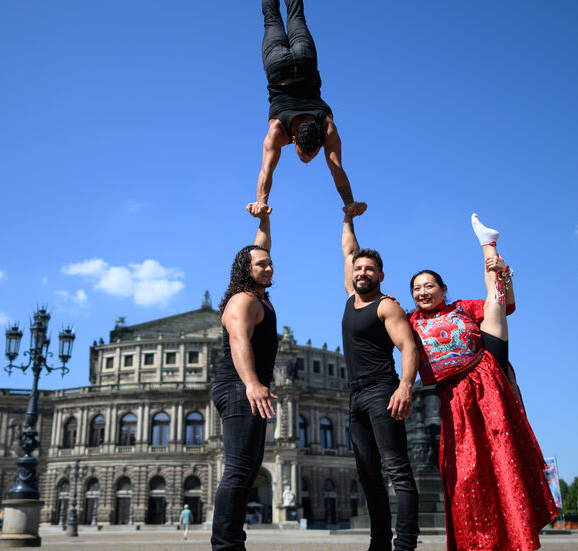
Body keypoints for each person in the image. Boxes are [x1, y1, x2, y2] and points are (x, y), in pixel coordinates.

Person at [406, 214, 558, 550]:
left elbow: (503, 304)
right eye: (416, 288)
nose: (422, 292)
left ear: (443, 289)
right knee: (466, 471)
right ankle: (479, 540)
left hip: (485, 376)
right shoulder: (410, 320)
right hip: (452, 395)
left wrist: (502, 273)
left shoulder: (462, 307)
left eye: (429, 285)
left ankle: (488, 246)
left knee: (502, 455)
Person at [341, 212, 420, 551]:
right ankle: (379, 544)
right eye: (359, 268)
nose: (362, 273)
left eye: (369, 269)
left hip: (382, 391)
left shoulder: (386, 306)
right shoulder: (349, 296)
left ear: (381, 275)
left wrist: (405, 386)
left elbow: (407, 346)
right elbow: (348, 250)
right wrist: (348, 219)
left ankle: (404, 544)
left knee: (398, 471)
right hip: (355, 397)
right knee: (369, 475)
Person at [248, 0, 366, 219]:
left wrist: (350, 202)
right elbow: (267, 168)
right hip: (278, 66)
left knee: (295, 14)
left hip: (304, 60)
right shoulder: (278, 131)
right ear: (294, 139)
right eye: (305, 155)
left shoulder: (326, 126)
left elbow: (336, 168)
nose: (307, 159)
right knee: (273, 18)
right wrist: (260, 202)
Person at [211, 212, 277, 551]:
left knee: (248, 470)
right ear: (245, 269)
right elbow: (239, 340)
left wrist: (265, 215)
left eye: (269, 264)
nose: (268, 268)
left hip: (244, 387)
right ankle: (225, 545)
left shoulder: (256, 295)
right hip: (238, 387)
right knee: (238, 469)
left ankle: (234, 541)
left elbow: (259, 245)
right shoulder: (244, 300)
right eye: (260, 265)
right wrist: (252, 383)